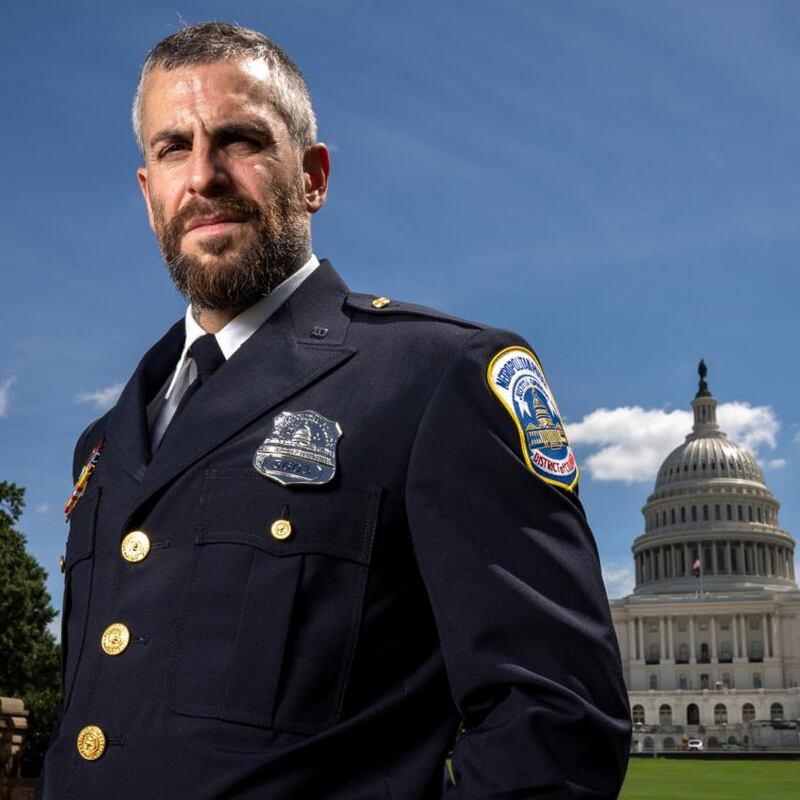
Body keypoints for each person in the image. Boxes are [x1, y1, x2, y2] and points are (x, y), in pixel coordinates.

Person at [37, 22, 631, 799]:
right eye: (173, 148)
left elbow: (557, 729)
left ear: (312, 176)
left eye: (242, 141)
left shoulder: (434, 378)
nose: (204, 175)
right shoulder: (105, 443)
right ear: (149, 196)